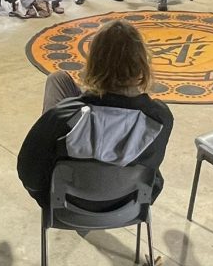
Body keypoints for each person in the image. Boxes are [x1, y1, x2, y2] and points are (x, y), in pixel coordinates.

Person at [17, 20, 173, 209]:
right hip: (129, 205)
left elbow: (29, 174)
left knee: (57, 81)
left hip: (66, 204)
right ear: (142, 64)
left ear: (93, 63)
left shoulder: (63, 117)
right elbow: (152, 168)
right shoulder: (160, 118)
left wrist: (48, 198)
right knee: (60, 82)